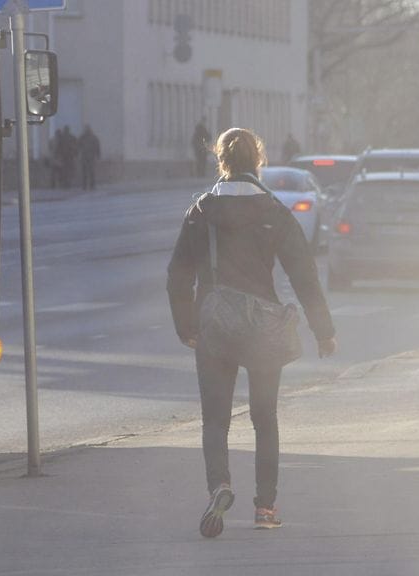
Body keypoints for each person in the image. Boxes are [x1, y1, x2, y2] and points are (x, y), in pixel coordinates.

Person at [167, 127, 337, 538]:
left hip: (214, 324)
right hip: (263, 326)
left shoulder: (202, 209)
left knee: (215, 420)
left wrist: (187, 326)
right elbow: (303, 273)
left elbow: (178, 274)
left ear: (220, 160)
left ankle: (220, 486)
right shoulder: (273, 210)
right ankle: (265, 508)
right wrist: (323, 330)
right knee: (265, 418)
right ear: (258, 159)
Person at [78, 125, 101, 190]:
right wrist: (98, 155)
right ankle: (89, 185)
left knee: (89, 172)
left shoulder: (84, 137)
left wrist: (98, 155)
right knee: (88, 172)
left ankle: (88, 185)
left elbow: (97, 147)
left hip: (88, 157)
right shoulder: (91, 137)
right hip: (88, 157)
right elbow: (97, 147)